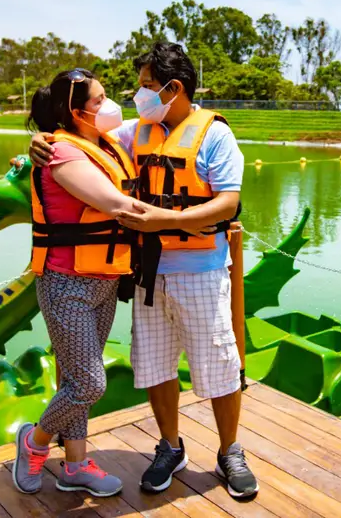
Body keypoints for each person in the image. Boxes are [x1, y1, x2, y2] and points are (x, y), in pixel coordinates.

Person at [27, 43, 258, 498]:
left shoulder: (215, 136)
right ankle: (170, 446)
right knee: (155, 365)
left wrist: (164, 220)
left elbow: (228, 201)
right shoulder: (138, 132)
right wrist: (38, 141)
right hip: (147, 271)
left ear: (174, 89)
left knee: (219, 364)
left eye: (148, 86)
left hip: (202, 268)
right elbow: (81, 144)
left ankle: (230, 450)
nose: (139, 95)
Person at [12, 68, 137, 497]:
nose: (109, 105)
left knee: (76, 383)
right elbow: (112, 202)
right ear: (74, 111)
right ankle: (35, 441)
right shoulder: (60, 152)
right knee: (89, 383)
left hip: (104, 280)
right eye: (100, 100)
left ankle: (76, 464)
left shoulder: (108, 143)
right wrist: (177, 221)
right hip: (68, 284)